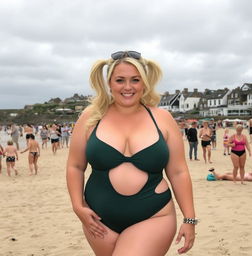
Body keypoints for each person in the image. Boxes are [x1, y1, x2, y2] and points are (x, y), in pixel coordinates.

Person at [66, 51, 197, 256]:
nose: (128, 87)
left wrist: (189, 219)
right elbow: (75, 166)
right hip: (98, 220)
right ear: (109, 83)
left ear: (144, 83)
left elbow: (178, 172)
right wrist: (77, 206)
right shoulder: (90, 118)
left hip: (154, 215)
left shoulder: (162, 118)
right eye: (120, 80)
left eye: (135, 80)